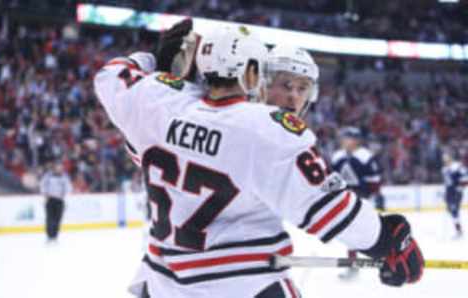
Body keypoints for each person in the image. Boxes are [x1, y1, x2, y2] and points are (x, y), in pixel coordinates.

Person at [94, 23, 423, 298]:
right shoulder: (267, 131)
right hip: (242, 285)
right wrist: (387, 240)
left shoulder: (158, 102)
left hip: (162, 282)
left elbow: (111, 75)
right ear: (253, 76)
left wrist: (153, 63)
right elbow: (332, 210)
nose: (293, 96)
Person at [331, 126, 385, 279]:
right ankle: (353, 267)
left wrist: (376, 197)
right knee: (350, 235)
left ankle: (386, 263)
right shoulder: (338, 156)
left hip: (363, 201)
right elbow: (332, 177)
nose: (343, 141)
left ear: (355, 140)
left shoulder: (365, 156)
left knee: (371, 233)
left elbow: (374, 180)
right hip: (345, 200)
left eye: (346, 138)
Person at [40, 161, 72, 243]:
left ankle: (55, 236)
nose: (59, 168)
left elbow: (69, 187)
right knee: (49, 218)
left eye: (60, 167)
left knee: (57, 219)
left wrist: (64, 194)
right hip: (50, 199)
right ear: (54, 167)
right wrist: (45, 194)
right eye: (58, 167)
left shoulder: (64, 176)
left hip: (59, 200)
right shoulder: (48, 175)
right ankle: (49, 236)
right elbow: (43, 184)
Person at [442, 151, 468, 238]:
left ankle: (459, 231)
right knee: (452, 211)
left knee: (454, 210)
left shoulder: (457, 167)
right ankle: (458, 229)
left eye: (447, 159)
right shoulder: (445, 169)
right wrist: (446, 194)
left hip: (456, 192)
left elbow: (465, 178)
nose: (446, 161)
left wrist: (460, 187)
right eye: (445, 159)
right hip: (450, 193)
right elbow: (447, 183)